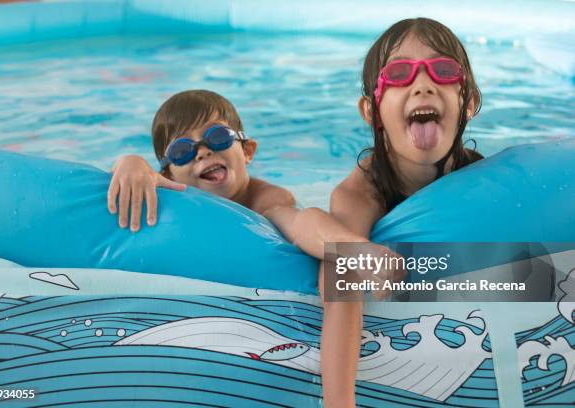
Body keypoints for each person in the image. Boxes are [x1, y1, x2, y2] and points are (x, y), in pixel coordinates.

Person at [320, 17, 484, 407]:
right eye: (399, 73)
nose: (423, 83)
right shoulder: (360, 193)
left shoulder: (483, 180)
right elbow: (340, 284)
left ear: (470, 103)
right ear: (372, 112)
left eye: (443, 70)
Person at [107, 90, 399, 283]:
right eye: (182, 150)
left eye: (217, 136)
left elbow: (298, 223)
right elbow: (123, 185)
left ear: (247, 151)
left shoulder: (263, 198)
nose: (203, 151)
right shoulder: (171, 194)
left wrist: (359, 253)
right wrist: (130, 162)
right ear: (168, 174)